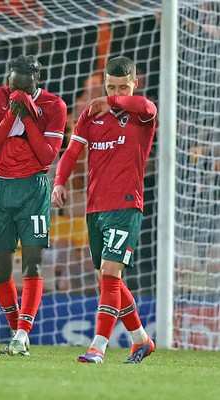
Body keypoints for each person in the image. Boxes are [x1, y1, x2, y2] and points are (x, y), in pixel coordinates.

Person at [52, 55, 157, 363]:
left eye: (122, 87)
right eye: (110, 86)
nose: (115, 92)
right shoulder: (91, 114)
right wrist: (60, 182)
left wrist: (111, 100)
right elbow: (72, 151)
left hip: (126, 204)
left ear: (134, 85)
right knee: (105, 277)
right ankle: (141, 339)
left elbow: (148, 107)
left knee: (110, 276)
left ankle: (98, 346)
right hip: (95, 207)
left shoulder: (141, 115)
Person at [0, 55, 67, 356]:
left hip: (34, 189)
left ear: (36, 83)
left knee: (33, 262)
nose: (16, 93)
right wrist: (10, 115)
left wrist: (27, 115)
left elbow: (46, 157)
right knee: (0, 270)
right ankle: (20, 336)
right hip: (1, 190)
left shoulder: (54, 106)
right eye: (12, 85)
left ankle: (21, 335)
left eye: (24, 89)